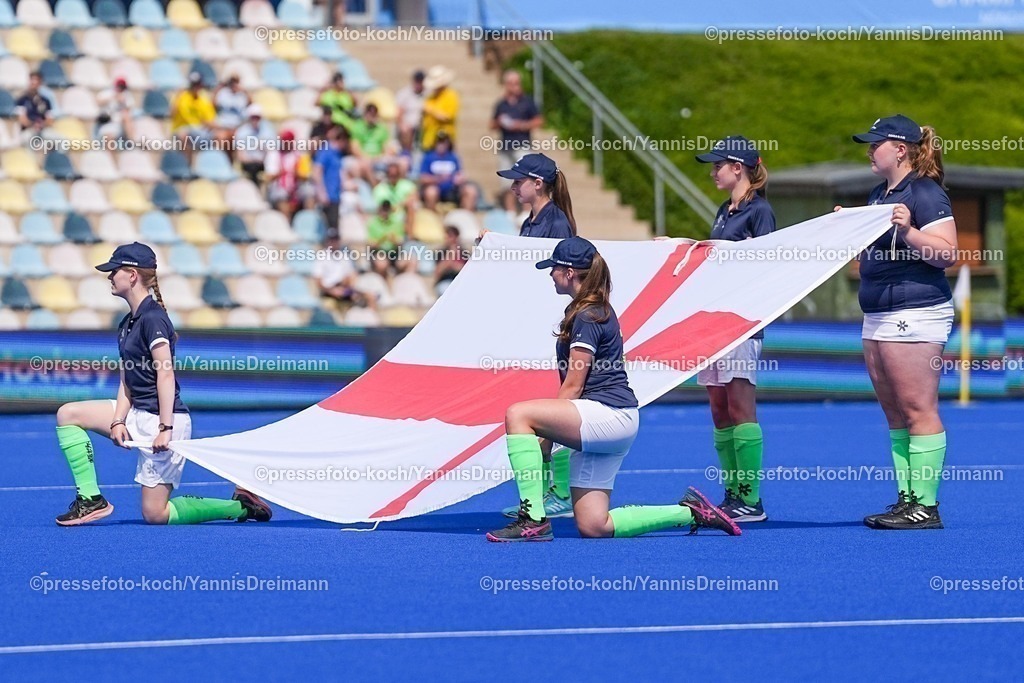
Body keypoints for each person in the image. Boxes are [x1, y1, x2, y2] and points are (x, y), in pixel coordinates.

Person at [486, 237, 740, 541]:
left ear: (569, 272)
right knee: (595, 526)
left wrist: (545, 436)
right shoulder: (591, 310)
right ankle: (690, 512)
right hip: (613, 421)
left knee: (518, 414)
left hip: (607, 417)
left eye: (553, 267)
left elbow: (574, 384)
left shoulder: (588, 314)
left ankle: (533, 520)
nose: (550, 273)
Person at [52, 243, 272, 526]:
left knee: (155, 514)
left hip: (164, 421)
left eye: (114, 271)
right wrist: (118, 420)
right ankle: (91, 499)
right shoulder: (127, 323)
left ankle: (242, 507)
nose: (109, 277)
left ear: (131, 275)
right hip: (136, 415)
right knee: (68, 414)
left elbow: (165, 374)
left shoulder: (153, 318)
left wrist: (165, 428)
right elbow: (127, 379)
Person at [844, 115, 958, 530]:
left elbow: (948, 253)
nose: (869, 150)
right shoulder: (879, 193)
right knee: (894, 412)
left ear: (901, 149)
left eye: (876, 143)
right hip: (877, 312)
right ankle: (907, 498)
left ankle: (926, 507)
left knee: (917, 408)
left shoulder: (926, 192)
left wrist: (908, 232)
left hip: (916, 311)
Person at [693, 136, 775, 523]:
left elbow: (766, 265)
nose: (713, 172)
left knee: (741, 407)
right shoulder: (725, 209)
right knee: (718, 407)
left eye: (717, 165)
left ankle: (750, 498)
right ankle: (733, 492)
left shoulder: (760, 211)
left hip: (741, 323)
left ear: (737, 168)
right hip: (716, 324)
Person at [496, 153, 576, 238]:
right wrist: (491, 239)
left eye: (518, 182)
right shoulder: (527, 222)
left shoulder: (557, 224)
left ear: (538, 184)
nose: (512, 187)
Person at [491, 69, 542, 171]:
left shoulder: (527, 101)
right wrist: (500, 122)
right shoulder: (501, 104)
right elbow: (492, 124)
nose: (515, 86)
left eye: (517, 83)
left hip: (522, 144)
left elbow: (539, 120)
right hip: (506, 146)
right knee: (506, 180)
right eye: (512, 83)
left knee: (524, 175)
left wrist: (522, 125)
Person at [419, 130, 478, 212]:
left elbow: (459, 173)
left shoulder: (453, 157)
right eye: (439, 142)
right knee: (431, 192)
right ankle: (432, 219)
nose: (441, 145)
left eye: (444, 142)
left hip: (452, 190)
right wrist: (438, 179)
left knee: (470, 190)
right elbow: (422, 178)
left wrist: (460, 178)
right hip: (436, 188)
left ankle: (466, 217)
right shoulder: (428, 157)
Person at [265, 130, 315, 219]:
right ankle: (286, 225)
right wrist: (280, 173)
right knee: (281, 196)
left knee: (309, 192)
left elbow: (306, 176)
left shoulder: (299, 155)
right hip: (279, 187)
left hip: (296, 187)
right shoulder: (274, 155)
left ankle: (309, 221)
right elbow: (269, 176)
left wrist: (296, 173)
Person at [170, 72, 216, 165]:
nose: (195, 87)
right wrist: (178, 96)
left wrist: (206, 124)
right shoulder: (181, 97)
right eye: (193, 85)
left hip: (200, 131)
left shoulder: (204, 98)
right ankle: (187, 165)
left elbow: (211, 121)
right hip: (183, 128)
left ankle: (216, 167)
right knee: (184, 135)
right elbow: (172, 114)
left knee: (221, 137)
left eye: (197, 84)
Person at [234, 104, 275, 184]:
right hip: (249, 163)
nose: (255, 120)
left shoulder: (268, 131)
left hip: (264, 163)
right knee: (253, 169)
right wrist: (252, 160)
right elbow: (240, 154)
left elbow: (271, 151)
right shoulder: (241, 132)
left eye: (257, 117)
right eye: (253, 117)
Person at [212, 74, 250, 160]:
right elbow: (213, 105)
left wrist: (245, 91)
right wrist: (217, 89)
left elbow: (251, 105)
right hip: (223, 127)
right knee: (221, 138)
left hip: (237, 128)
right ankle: (219, 162)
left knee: (242, 138)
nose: (234, 85)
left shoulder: (242, 96)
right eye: (232, 82)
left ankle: (240, 166)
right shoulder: (223, 93)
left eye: (236, 82)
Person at [420, 65, 458, 151]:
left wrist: (431, 110)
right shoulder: (430, 98)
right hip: (428, 138)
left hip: (444, 140)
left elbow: (447, 116)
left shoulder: (451, 96)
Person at [15, 71, 55, 145]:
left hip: (43, 130)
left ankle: (56, 156)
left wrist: (41, 124)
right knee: (28, 139)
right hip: (28, 130)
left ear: (40, 83)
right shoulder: (22, 100)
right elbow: (22, 119)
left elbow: (50, 120)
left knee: (61, 140)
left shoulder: (45, 100)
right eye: (32, 80)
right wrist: (33, 124)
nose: (34, 83)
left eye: (36, 80)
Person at [395, 69, 425, 154]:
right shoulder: (404, 94)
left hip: (421, 126)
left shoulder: (427, 93)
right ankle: (407, 153)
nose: (418, 84)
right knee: (407, 130)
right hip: (408, 126)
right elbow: (399, 112)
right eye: (417, 81)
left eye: (420, 81)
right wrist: (402, 125)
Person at [96, 77, 135, 141]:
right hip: (107, 120)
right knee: (108, 137)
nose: (120, 89)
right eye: (119, 86)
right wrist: (112, 98)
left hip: (119, 122)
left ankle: (132, 141)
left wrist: (122, 102)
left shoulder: (126, 95)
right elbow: (98, 102)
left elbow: (129, 110)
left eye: (122, 87)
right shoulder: (108, 93)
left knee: (126, 116)